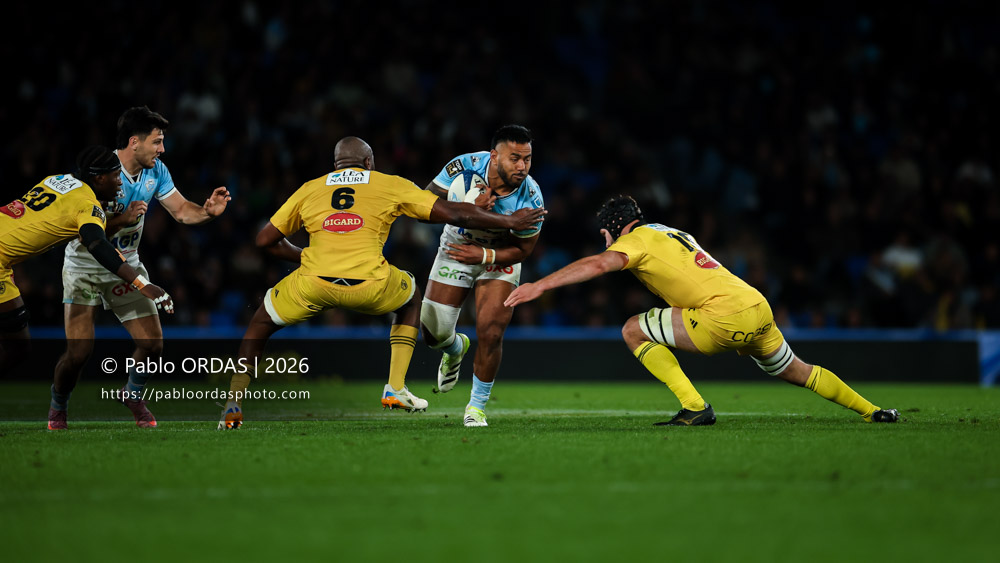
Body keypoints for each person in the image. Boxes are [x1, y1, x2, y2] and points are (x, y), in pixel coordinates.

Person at [218, 136, 545, 429]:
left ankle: (232, 405)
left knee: (260, 323)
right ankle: (395, 387)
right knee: (411, 298)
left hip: (312, 282)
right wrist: (507, 220)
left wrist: (304, 256)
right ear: (369, 164)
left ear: (335, 166)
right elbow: (451, 213)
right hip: (370, 285)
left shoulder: (311, 188)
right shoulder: (387, 183)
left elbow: (264, 241)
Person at [504, 194, 900, 425]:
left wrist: (539, 284)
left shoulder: (637, 240)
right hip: (756, 306)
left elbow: (597, 264)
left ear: (615, 227)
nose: (605, 241)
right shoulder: (670, 232)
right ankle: (873, 412)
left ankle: (695, 408)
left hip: (722, 317)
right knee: (797, 369)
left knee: (631, 329)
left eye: (606, 234)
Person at [59, 106, 231, 429]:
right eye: (157, 142)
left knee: (152, 344)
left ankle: (132, 393)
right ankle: (58, 405)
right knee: (78, 353)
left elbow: (181, 211)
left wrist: (207, 212)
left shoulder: (157, 171)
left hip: (127, 263)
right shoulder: (98, 170)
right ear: (134, 142)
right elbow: (83, 233)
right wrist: (122, 220)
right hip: (85, 264)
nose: (162, 149)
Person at [0, 146, 175, 430]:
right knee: (22, 349)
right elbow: (96, 244)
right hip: (27, 264)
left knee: (18, 347)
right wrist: (142, 283)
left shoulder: (56, 179)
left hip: (4, 263)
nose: (120, 183)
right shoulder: (88, 205)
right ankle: (58, 406)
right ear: (98, 179)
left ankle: (131, 394)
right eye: (115, 177)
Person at [418, 125, 544, 428]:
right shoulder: (462, 168)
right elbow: (422, 205)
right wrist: (466, 210)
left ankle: (476, 408)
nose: (522, 167)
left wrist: (485, 256)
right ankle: (454, 348)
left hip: (498, 257)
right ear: (494, 155)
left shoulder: (531, 196)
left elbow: (523, 249)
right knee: (432, 335)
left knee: (490, 331)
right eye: (514, 158)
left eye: (527, 159)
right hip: (458, 248)